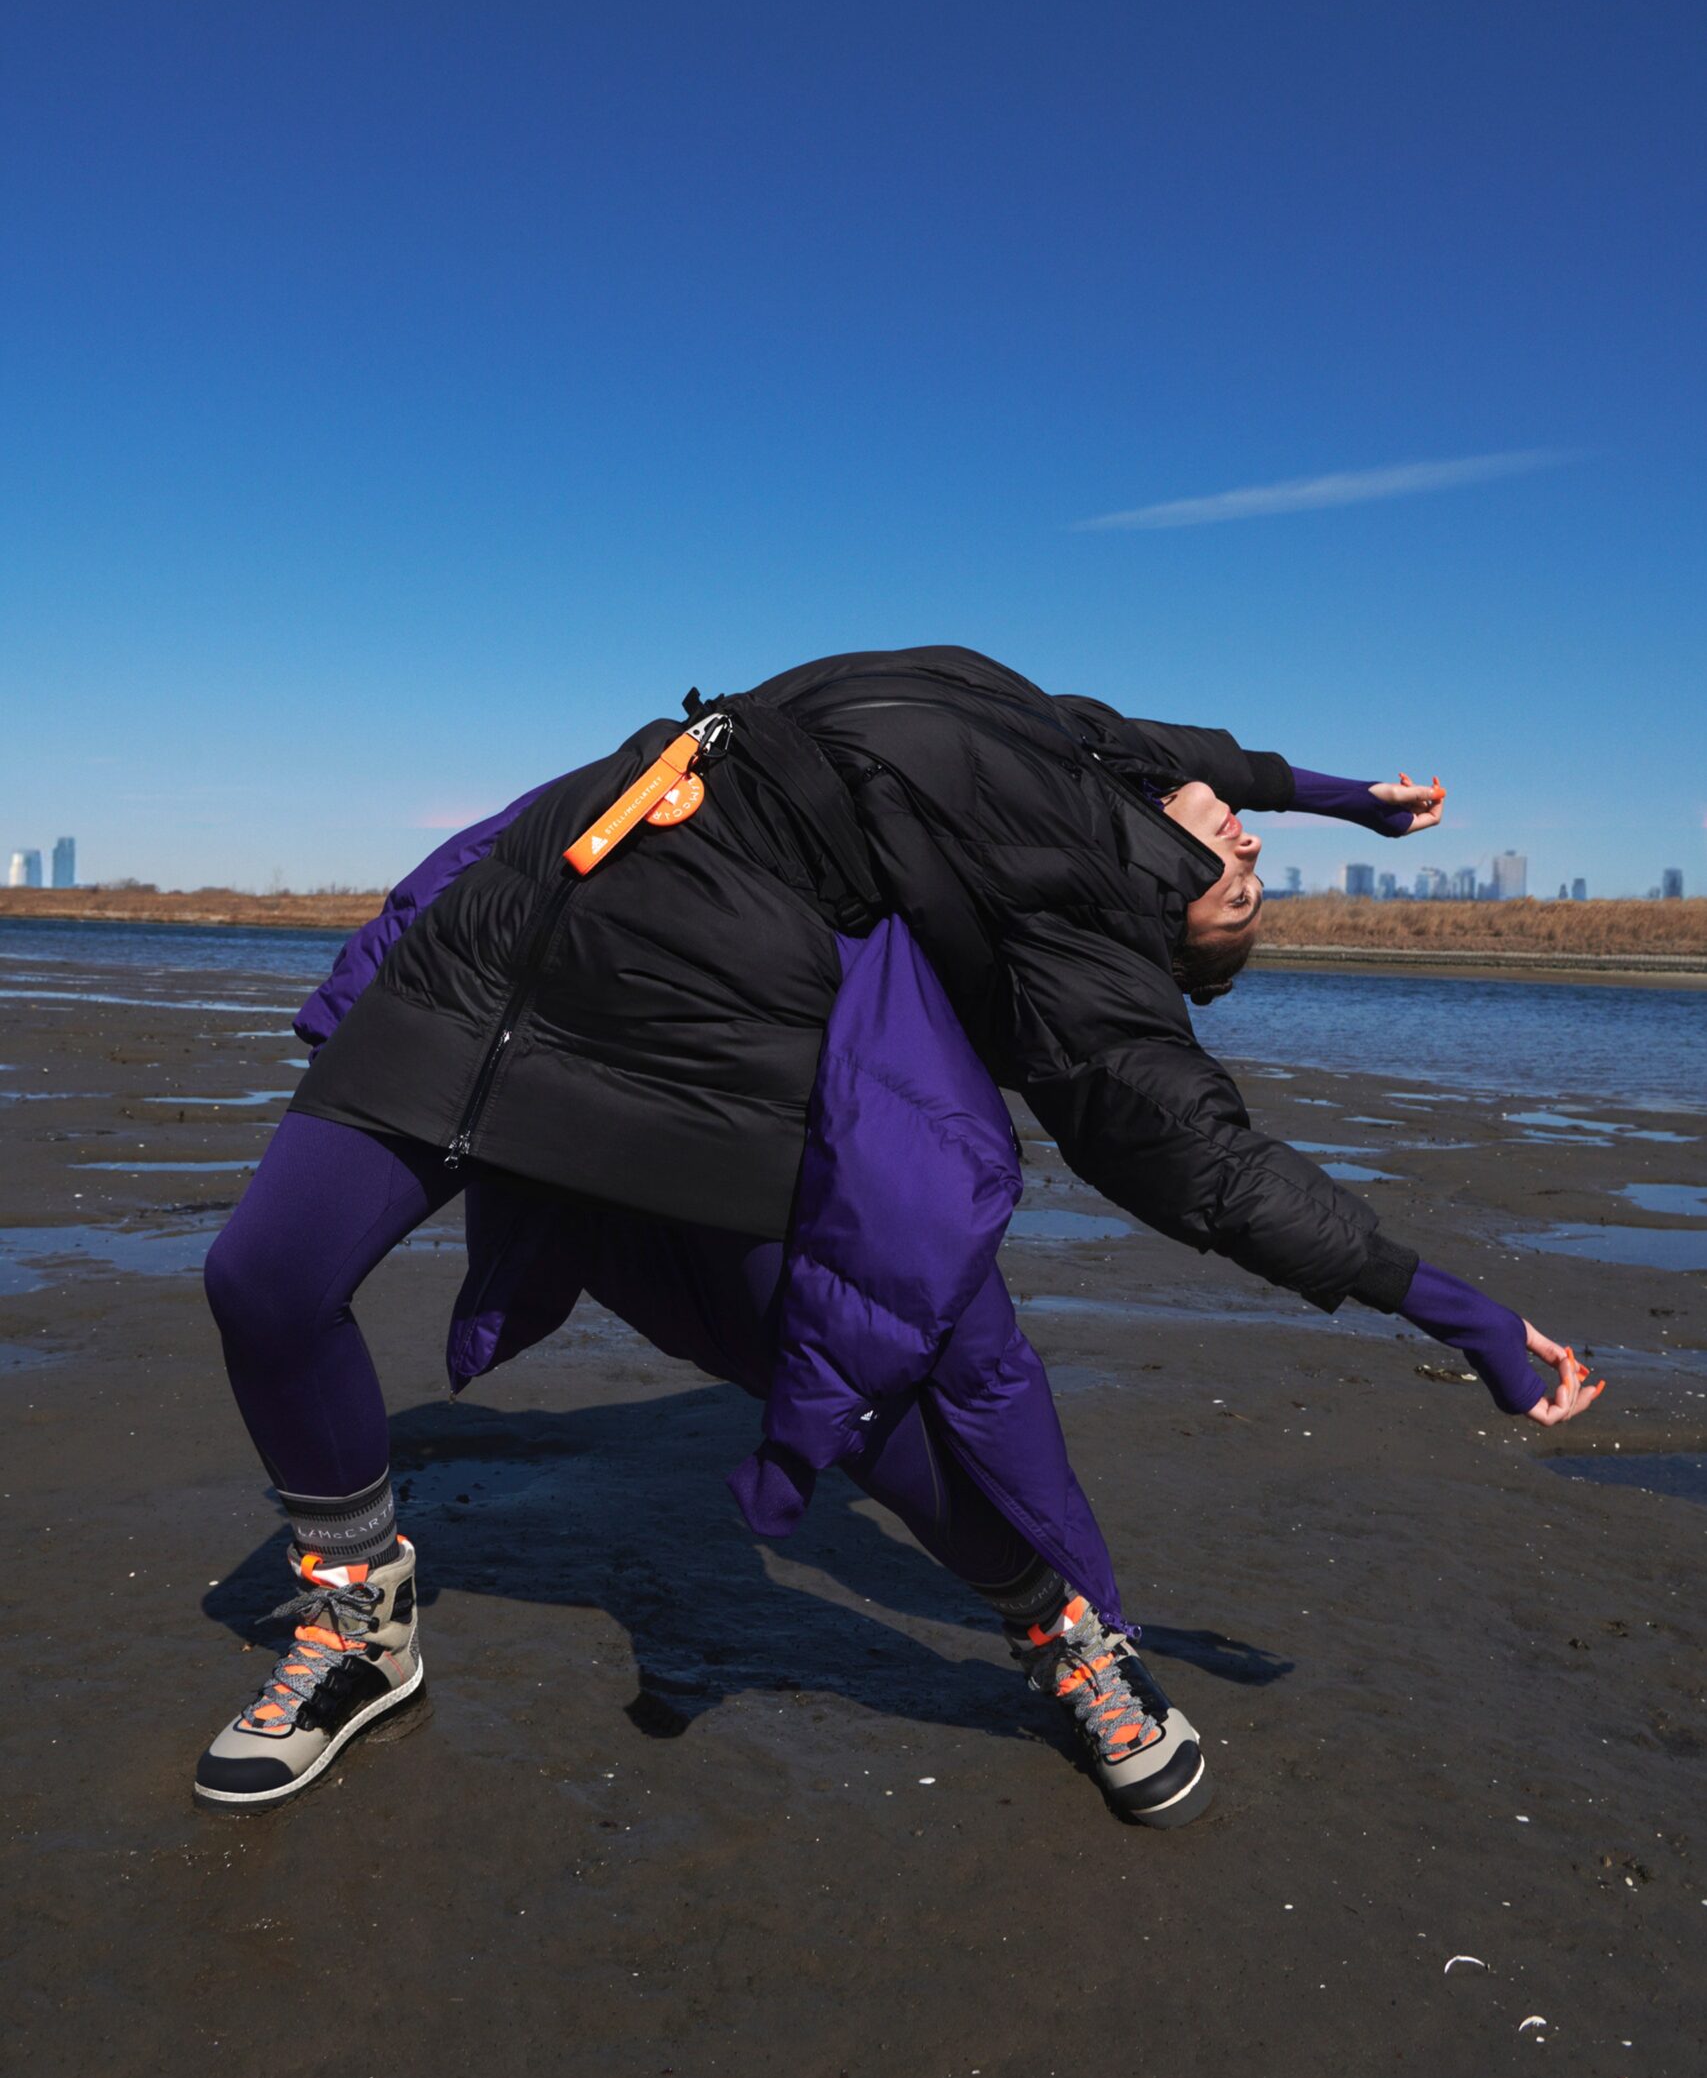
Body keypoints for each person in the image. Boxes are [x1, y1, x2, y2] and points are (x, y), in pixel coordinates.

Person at [195, 645, 1601, 1820]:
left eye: (1238, 886)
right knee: (264, 1279)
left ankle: (1060, 1632)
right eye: (1249, 849)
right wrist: (1347, 800)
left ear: (1166, 933)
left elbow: (1206, 1163)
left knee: (857, 1394)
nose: (1245, 845)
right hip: (511, 941)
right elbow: (1182, 752)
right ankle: (360, 1623)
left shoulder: (1074, 946)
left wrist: (1461, 1312)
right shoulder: (1070, 747)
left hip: (701, 1047)